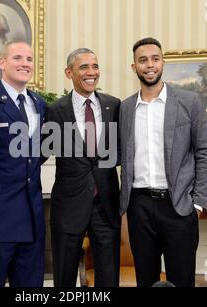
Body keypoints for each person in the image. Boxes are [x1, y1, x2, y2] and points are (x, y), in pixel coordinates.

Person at [119, 37, 207, 287]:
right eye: (143, 60)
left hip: (179, 207)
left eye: (155, 58)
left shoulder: (189, 102)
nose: (149, 65)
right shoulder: (126, 108)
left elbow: (206, 152)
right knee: (145, 280)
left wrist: (198, 203)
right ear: (134, 67)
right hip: (139, 207)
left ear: (163, 62)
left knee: (182, 280)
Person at [0, 40, 47, 287]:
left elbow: (37, 153)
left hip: (34, 215)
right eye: (18, 58)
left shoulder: (39, 104)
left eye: (29, 59)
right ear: (2, 63)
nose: (25, 64)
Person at [46, 48, 121, 287]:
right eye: (84, 67)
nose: (92, 72)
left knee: (108, 277)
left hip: (106, 206)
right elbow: (41, 150)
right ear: (69, 73)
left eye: (95, 66)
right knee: (64, 277)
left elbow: (124, 149)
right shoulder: (55, 110)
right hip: (68, 206)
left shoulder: (114, 106)